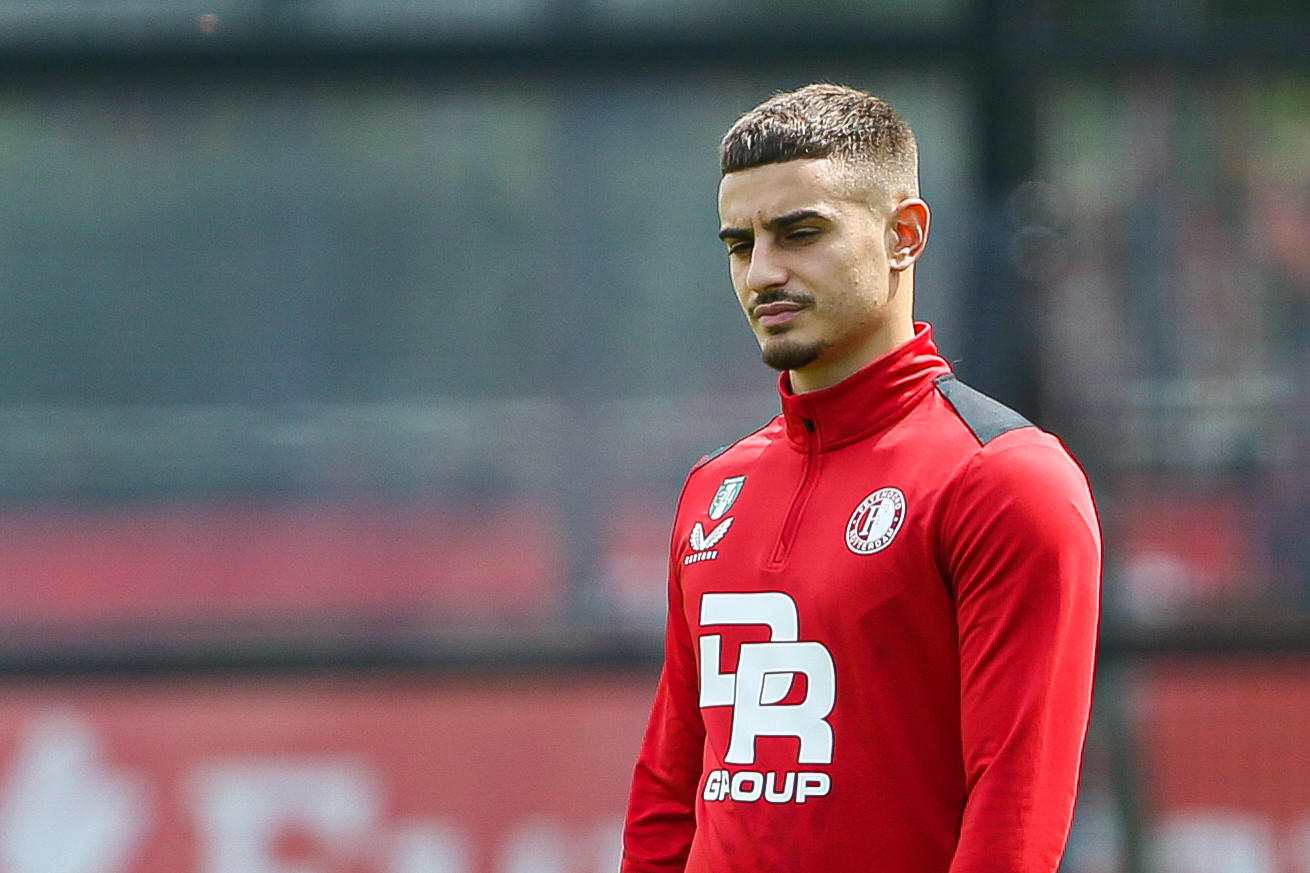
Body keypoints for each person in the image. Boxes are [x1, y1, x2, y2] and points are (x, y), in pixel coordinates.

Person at [619, 84, 1101, 873]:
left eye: (799, 233)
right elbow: (670, 792)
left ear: (903, 234)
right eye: (740, 245)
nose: (762, 272)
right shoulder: (713, 489)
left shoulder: (1005, 478)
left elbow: (1014, 815)